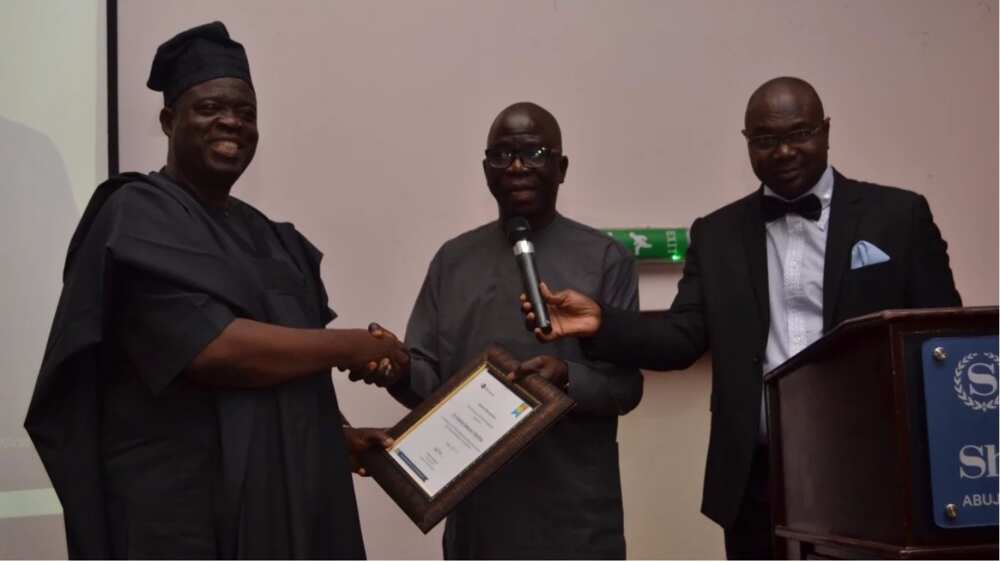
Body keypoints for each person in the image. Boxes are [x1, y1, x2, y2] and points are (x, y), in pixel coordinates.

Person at [522, 77, 961, 559]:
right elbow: (682, 337)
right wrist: (603, 324)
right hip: (758, 480)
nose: (785, 151)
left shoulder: (899, 217)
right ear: (748, 143)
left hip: (877, 473)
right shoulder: (717, 235)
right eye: (766, 140)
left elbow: (941, 340)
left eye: (800, 133)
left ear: (827, 130)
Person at [25, 21, 405, 559]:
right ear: (168, 119)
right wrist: (356, 345)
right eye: (209, 108)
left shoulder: (275, 239)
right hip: (188, 521)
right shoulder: (136, 215)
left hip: (283, 512)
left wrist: (334, 434)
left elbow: (293, 367)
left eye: (246, 113)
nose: (232, 122)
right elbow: (214, 350)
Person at [380, 102, 643, 558]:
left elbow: (626, 387)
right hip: (478, 516)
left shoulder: (604, 257)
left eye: (535, 153)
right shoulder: (452, 260)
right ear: (486, 170)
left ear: (561, 168)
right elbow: (429, 383)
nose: (518, 166)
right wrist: (398, 368)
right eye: (502, 155)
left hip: (575, 514)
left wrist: (564, 375)